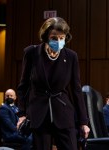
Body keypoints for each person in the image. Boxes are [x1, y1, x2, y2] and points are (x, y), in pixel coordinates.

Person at [17, 17, 90, 150]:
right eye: (54, 38)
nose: (58, 41)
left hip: (63, 112)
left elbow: (76, 90)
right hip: (39, 114)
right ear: (45, 37)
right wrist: (22, 114)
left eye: (62, 38)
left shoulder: (71, 56)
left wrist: (83, 122)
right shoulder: (31, 53)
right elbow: (23, 86)